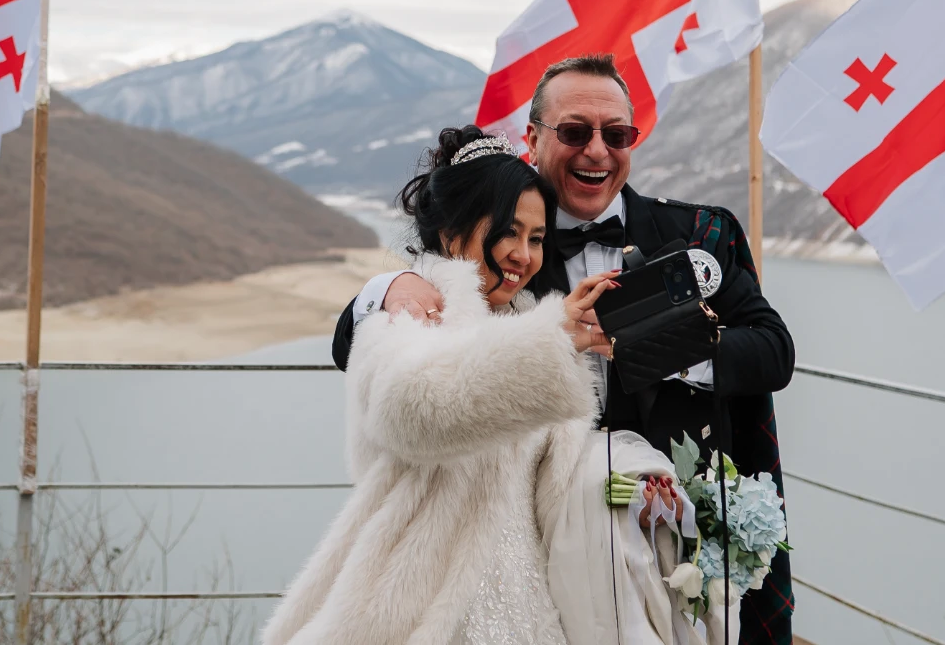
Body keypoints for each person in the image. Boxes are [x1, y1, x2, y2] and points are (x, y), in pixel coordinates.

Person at [331, 56, 796, 645]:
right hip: (550, 557)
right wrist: (382, 290)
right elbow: (368, 347)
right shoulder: (507, 241)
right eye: (574, 132)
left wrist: (664, 349)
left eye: (617, 134)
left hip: (683, 542)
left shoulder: (703, 233)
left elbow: (773, 352)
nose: (597, 151)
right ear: (532, 138)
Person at [266, 126, 697, 645]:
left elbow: (561, 471)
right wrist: (551, 339)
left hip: (531, 606)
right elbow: (412, 410)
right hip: (423, 602)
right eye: (508, 231)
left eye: (536, 239)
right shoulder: (408, 313)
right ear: (452, 231)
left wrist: (640, 481)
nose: (523, 254)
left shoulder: (530, 326)